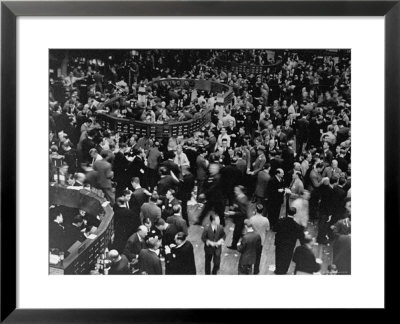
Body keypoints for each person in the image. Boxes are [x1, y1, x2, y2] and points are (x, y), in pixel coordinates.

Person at [274, 207, 305, 275]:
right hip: (290, 244)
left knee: (278, 256)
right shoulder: (296, 226)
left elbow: (275, 229)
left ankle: (278, 270)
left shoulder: (281, 221)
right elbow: (301, 236)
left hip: (279, 242)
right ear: (294, 214)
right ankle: (284, 270)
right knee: (287, 257)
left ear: (287, 213)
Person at [227, 185, 250, 250]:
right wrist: (234, 207)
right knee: (239, 233)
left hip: (240, 219)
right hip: (239, 219)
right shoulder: (241, 197)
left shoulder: (242, 200)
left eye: (236, 190)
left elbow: (243, 212)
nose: (234, 191)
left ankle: (235, 246)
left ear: (240, 191)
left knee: (237, 233)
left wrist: (234, 213)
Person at [249, 204, 270, 274]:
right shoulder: (266, 220)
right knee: (258, 256)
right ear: (262, 211)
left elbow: (249, 229)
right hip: (260, 240)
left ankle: (249, 268)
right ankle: (256, 270)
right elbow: (267, 229)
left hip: (252, 239)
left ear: (255, 210)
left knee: (250, 254)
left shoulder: (252, 219)